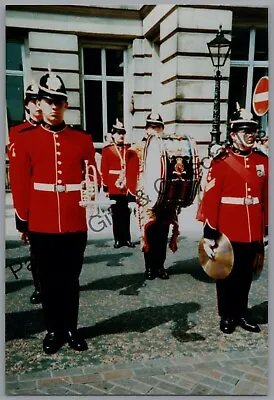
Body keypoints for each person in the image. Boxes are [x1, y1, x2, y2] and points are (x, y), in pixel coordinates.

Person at [10, 70, 100, 354]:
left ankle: (71, 328)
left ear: (66, 105)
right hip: (42, 220)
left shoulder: (81, 139)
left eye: (58, 102)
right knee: (48, 281)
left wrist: (93, 188)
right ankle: (53, 330)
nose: (53, 107)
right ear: (40, 103)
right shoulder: (26, 138)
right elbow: (21, 181)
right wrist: (23, 219)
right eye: (48, 101)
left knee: (70, 280)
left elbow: (91, 174)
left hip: (74, 220)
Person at [197, 105, 268, 334]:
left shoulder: (262, 161)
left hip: (252, 229)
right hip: (228, 229)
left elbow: (266, 197)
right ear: (233, 134)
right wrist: (209, 233)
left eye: (252, 129)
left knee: (246, 275)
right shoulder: (222, 161)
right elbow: (211, 198)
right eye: (245, 129)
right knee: (227, 274)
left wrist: (265, 228)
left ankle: (241, 312)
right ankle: (227, 314)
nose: (250, 134)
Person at [127, 113, 180, 280]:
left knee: (163, 232)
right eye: (151, 127)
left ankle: (160, 266)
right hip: (145, 197)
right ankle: (149, 267)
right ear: (145, 129)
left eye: (157, 127)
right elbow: (131, 173)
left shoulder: (170, 148)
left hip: (165, 197)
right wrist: (131, 198)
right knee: (149, 232)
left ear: (162, 129)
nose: (154, 130)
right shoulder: (137, 148)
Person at [8, 82, 43, 305]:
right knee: (37, 250)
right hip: (33, 200)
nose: (38, 106)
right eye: (33, 101)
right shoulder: (18, 133)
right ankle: (40, 285)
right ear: (27, 105)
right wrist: (22, 217)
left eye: (41, 101)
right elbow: (18, 179)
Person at [101, 119, 135, 248]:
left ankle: (127, 238)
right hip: (114, 186)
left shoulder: (129, 149)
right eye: (118, 133)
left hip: (126, 186)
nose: (121, 135)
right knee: (116, 214)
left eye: (122, 133)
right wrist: (106, 188)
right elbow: (103, 170)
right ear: (113, 135)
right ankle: (118, 239)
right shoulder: (107, 150)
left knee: (126, 213)